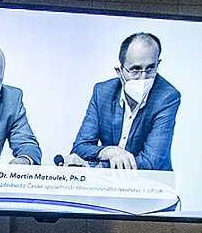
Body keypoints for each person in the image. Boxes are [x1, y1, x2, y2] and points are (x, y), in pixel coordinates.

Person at [68, 32, 181, 171]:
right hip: (105, 181)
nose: (143, 77)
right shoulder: (102, 92)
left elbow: (149, 163)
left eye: (150, 68)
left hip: (152, 181)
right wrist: (109, 152)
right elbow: (80, 148)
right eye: (135, 69)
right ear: (119, 71)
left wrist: (91, 165)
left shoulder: (167, 97)